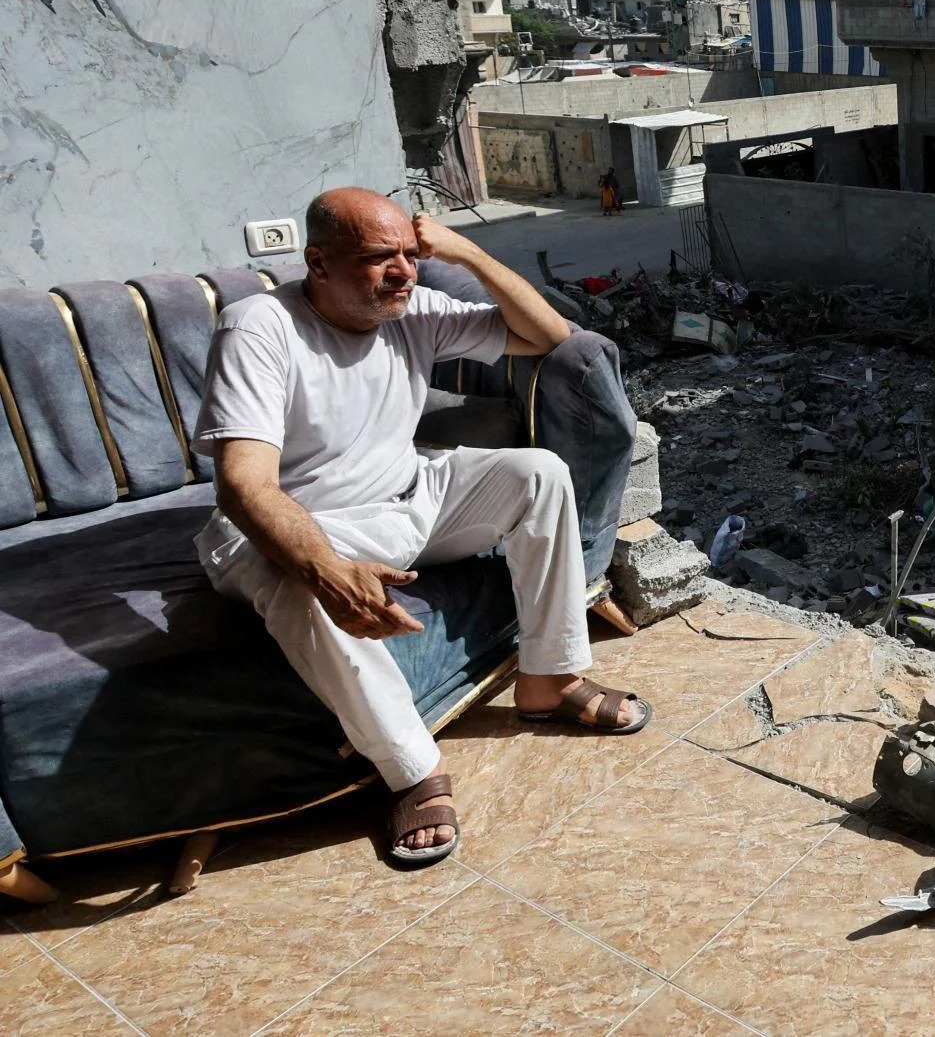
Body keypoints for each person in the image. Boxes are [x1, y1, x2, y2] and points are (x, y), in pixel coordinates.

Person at [193, 188, 652, 865]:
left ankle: (548, 679)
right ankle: (411, 770)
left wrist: (461, 249)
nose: (403, 271)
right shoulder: (260, 326)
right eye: (380, 258)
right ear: (318, 264)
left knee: (539, 473)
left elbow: (552, 337)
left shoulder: (411, 307)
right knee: (294, 579)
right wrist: (322, 565)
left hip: (406, 497)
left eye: (410, 255)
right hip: (304, 524)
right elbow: (244, 484)